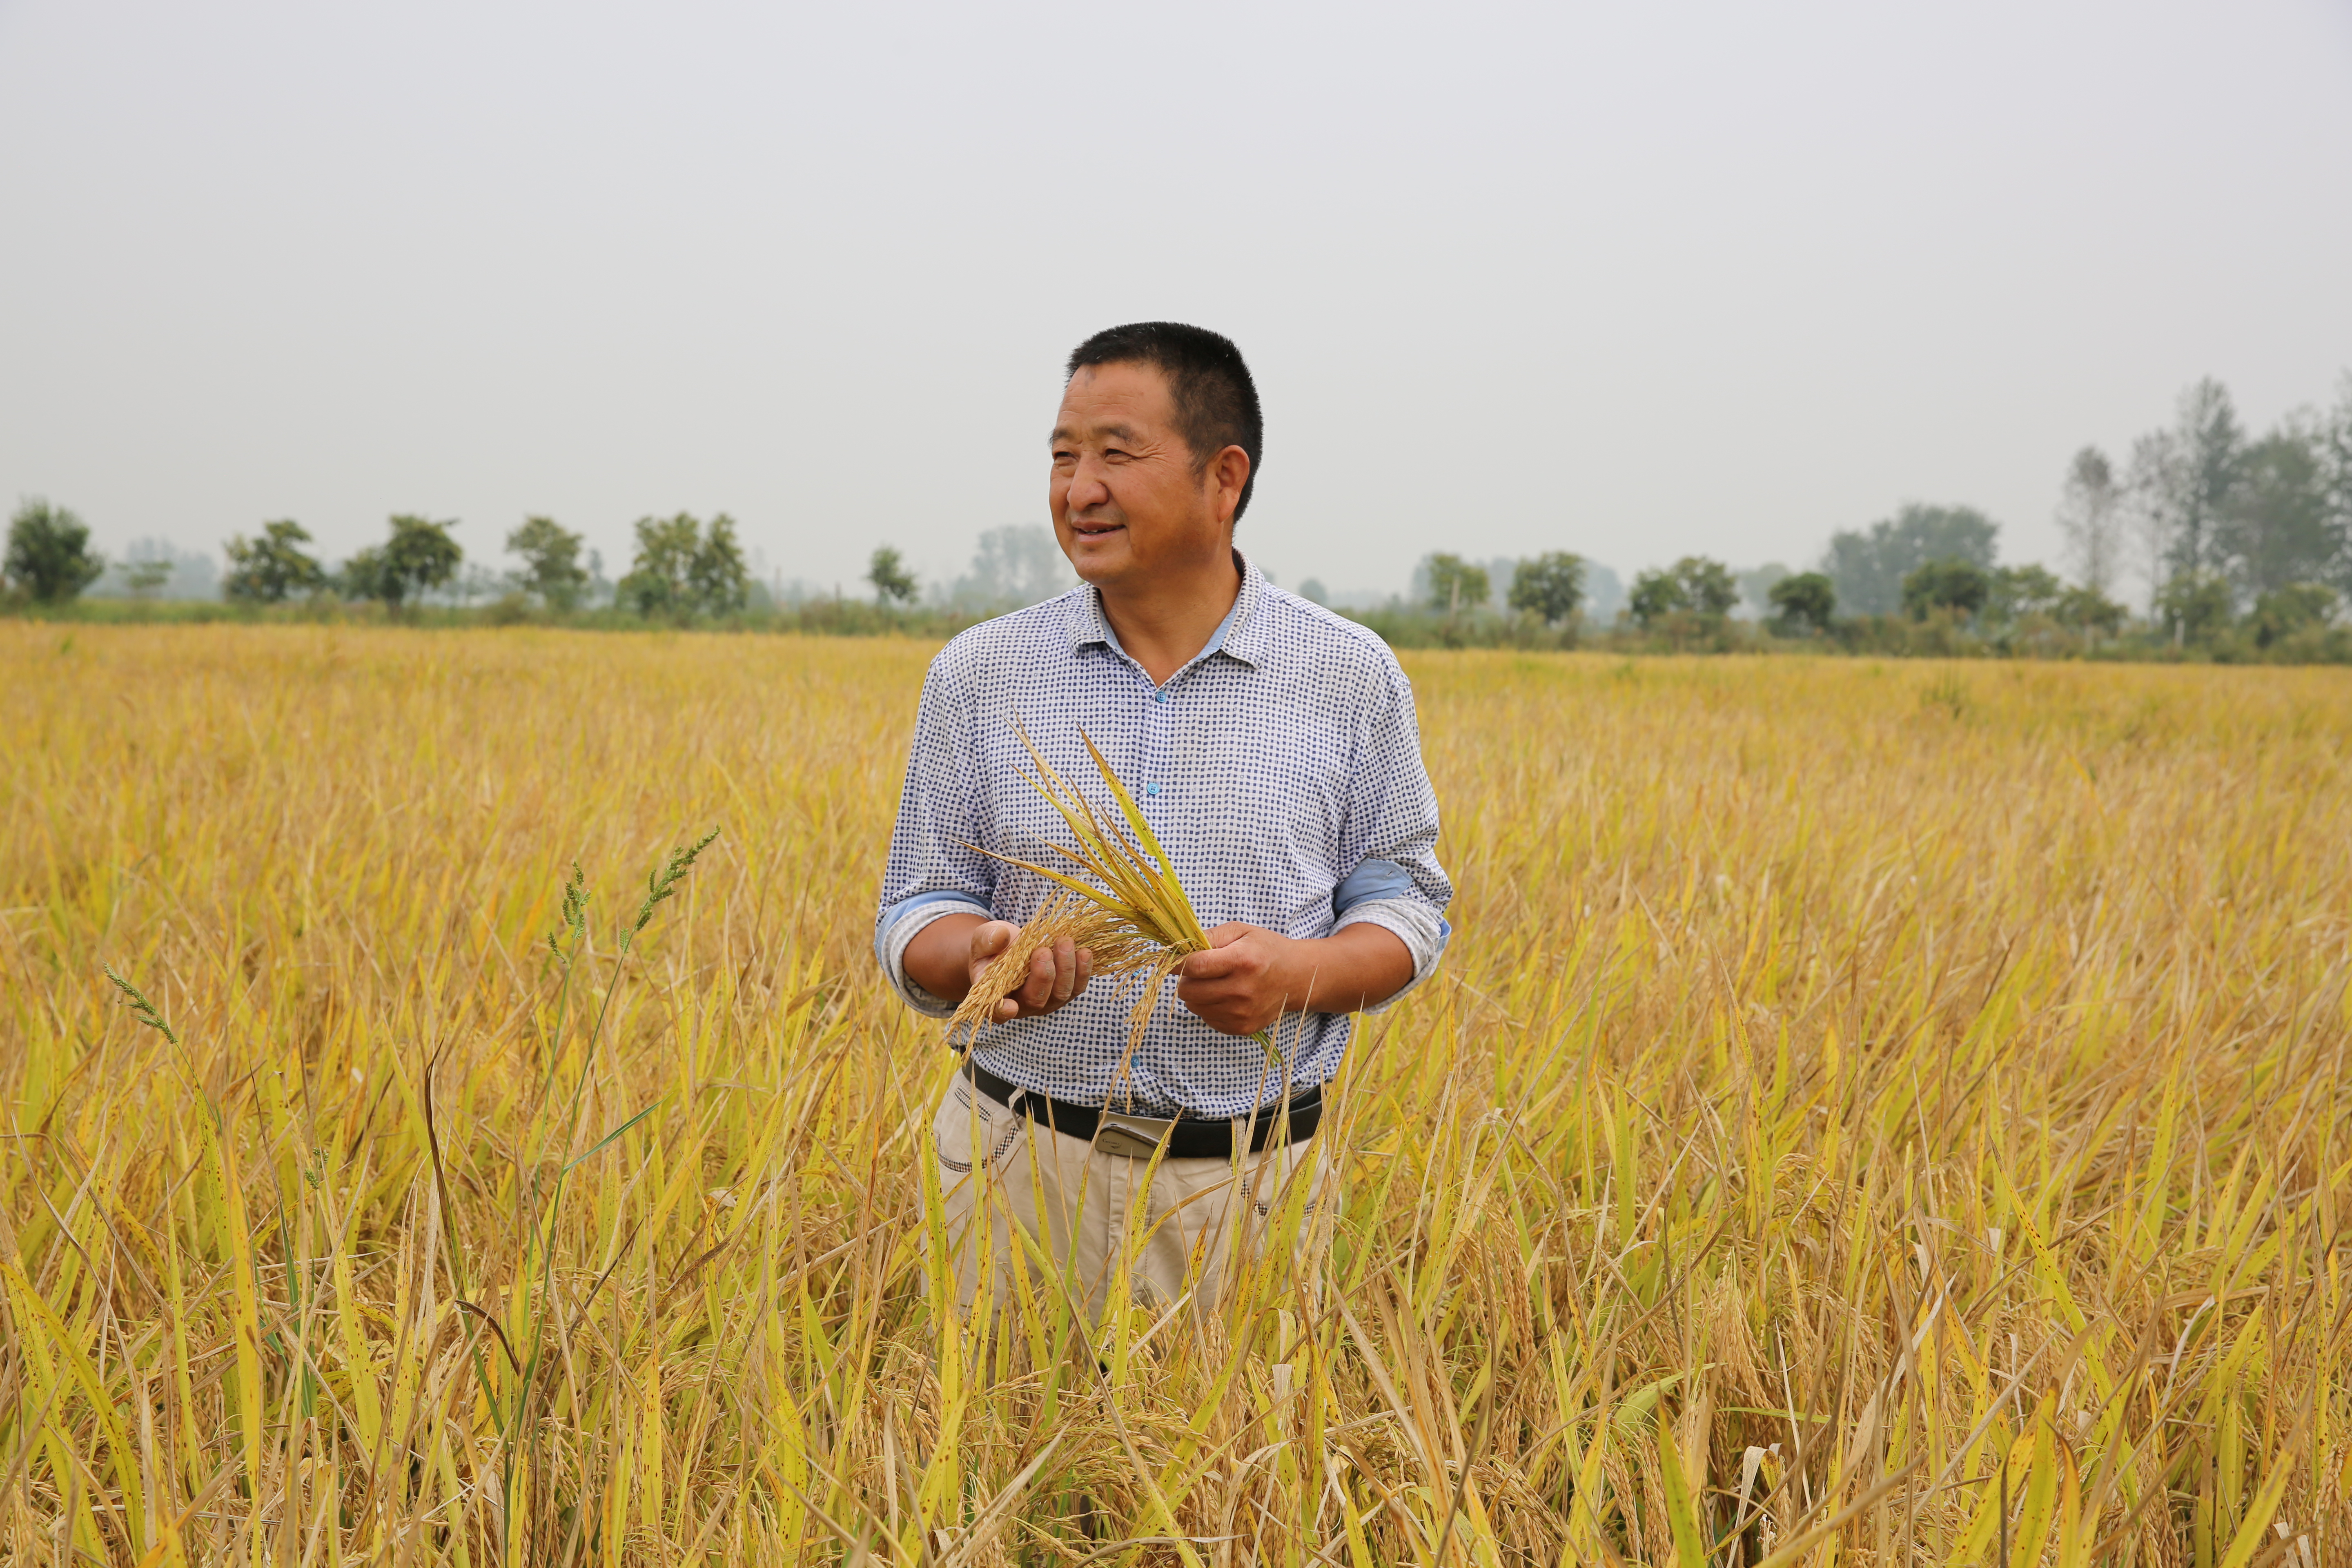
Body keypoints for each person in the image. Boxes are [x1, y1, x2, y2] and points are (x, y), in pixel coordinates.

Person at [875, 321, 1452, 1320]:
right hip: (1013, 1165)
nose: (1078, 488)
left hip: (1243, 1189)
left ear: (1223, 478)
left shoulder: (1347, 675)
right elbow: (914, 904)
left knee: (1235, 1471)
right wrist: (980, 955)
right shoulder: (980, 674)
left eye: (1115, 453)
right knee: (989, 1458)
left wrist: (1296, 977)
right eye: (1062, 456)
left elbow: (1405, 904)